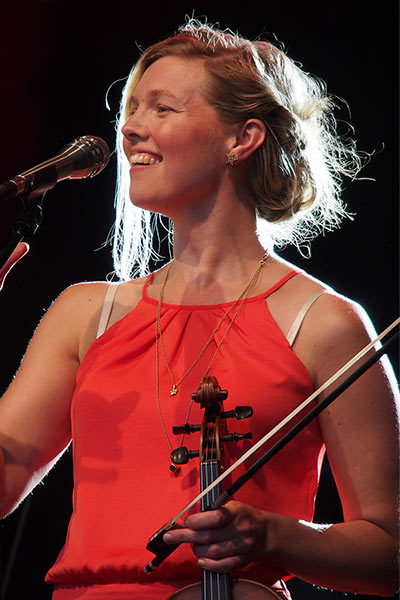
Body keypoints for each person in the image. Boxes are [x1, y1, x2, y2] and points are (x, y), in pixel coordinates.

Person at [0, 19, 398, 600]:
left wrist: (276, 537)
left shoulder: (323, 323)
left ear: (243, 139)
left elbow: (389, 554)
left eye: (162, 109)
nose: (132, 129)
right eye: (132, 110)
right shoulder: (85, 313)